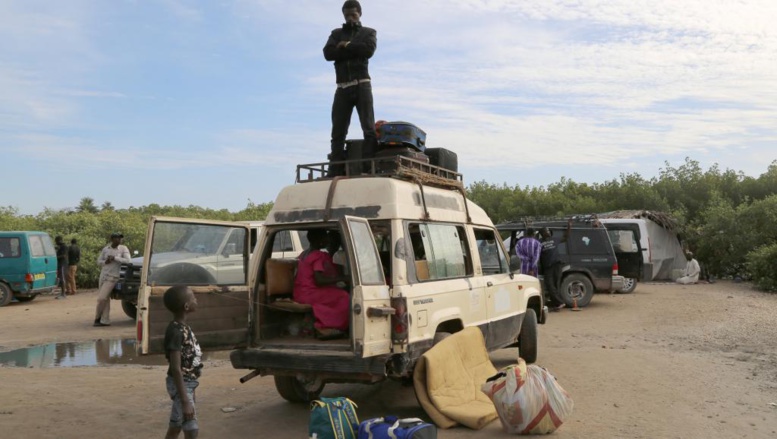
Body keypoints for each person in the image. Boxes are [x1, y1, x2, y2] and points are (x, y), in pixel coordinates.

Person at [323, 0, 378, 176]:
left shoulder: (369, 32)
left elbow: (368, 50)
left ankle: (368, 168)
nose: (350, 18)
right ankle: (335, 169)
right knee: (338, 131)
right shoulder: (336, 33)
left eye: (353, 14)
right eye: (347, 15)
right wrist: (354, 50)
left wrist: (346, 45)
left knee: (368, 128)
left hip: (362, 85)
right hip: (342, 88)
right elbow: (328, 53)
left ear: (360, 13)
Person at [294, 229, 350, 340]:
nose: (328, 240)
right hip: (309, 293)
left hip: (299, 292)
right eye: (326, 237)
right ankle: (328, 326)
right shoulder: (318, 255)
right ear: (319, 240)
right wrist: (343, 278)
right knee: (344, 296)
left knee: (337, 291)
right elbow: (319, 280)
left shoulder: (304, 253)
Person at [163, 285, 202, 439]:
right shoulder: (175, 331)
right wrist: (185, 399)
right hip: (181, 383)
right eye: (193, 297)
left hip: (187, 382)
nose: (196, 299)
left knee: (176, 424)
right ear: (186, 306)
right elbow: (176, 368)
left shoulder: (183, 327)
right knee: (191, 427)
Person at [94, 232, 131, 326]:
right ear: (112, 239)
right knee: (105, 299)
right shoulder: (106, 249)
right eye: (117, 238)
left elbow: (128, 260)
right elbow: (98, 261)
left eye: (120, 238)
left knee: (101, 298)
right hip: (103, 275)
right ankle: (105, 320)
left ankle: (97, 318)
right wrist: (105, 261)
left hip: (113, 277)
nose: (119, 240)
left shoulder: (123, 248)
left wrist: (115, 258)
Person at [539, 221, 572, 311]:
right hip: (548, 267)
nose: (548, 232)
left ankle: (559, 303)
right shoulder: (539, 242)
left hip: (557, 265)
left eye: (548, 231)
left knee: (556, 285)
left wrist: (569, 227)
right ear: (542, 234)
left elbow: (565, 238)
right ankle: (559, 303)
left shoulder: (554, 239)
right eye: (546, 231)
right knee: (550, 285)